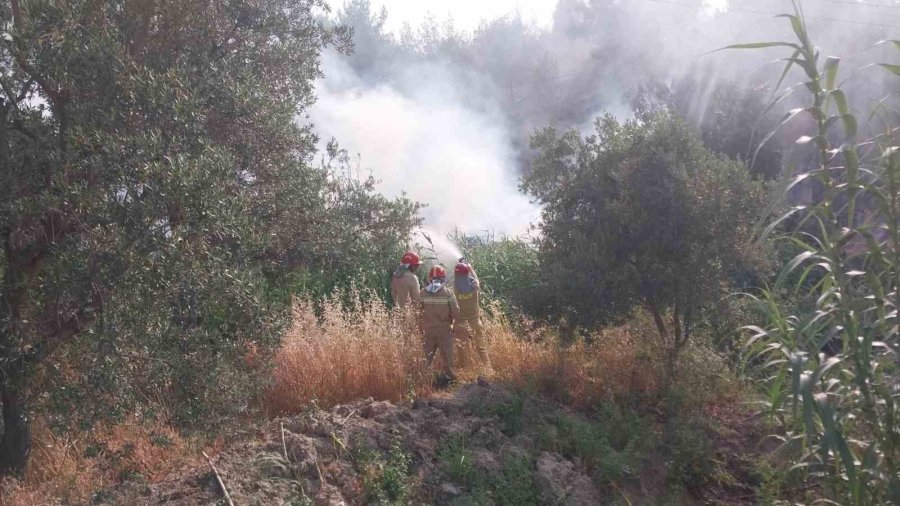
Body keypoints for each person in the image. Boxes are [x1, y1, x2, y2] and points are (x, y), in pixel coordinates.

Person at [419, 265, 460, 383]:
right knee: (448, 357)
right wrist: (453, 325)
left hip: (428, 331)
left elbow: (418, 311)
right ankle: (450, 380)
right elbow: (456, 312)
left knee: (426, 358)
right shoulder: (448, 293)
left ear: (430, 278)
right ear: (443, 279)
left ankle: (425, 381)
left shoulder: (422, 293)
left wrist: (420, 328)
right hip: (444, 331)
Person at [453, 259, 490, 367]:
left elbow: (457, 277)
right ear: (467, 273)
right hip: (475, 322)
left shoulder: (455, 288)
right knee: (481, 347)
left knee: (462, 349)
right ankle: (488, 368)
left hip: (460, 323)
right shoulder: (474, 286)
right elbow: (476, 279)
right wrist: (471, 269)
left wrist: (459, 267)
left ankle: (464, 368)